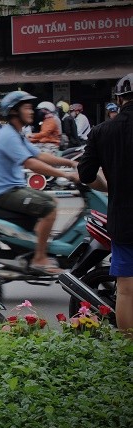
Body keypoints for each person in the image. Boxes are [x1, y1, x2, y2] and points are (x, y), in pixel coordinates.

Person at [0, 91, 80, 276]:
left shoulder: (17, 134)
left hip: (13, 188)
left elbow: (39, 155)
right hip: (4, 192)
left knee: (51, 202)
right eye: (27, 108)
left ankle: (36, 245)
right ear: (14, 112)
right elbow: (30, 163)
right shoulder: (8, 135)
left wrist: (71, 162)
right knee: (49, 207)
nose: (31, 112)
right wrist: (67, 175)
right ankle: (39, 258)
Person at [78, 73, 133, 332]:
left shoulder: (102, 131)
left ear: (119, 99)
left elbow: (86, 175)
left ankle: (126, 353)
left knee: (126, 291)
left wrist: (111, 187)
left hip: (124, 220)